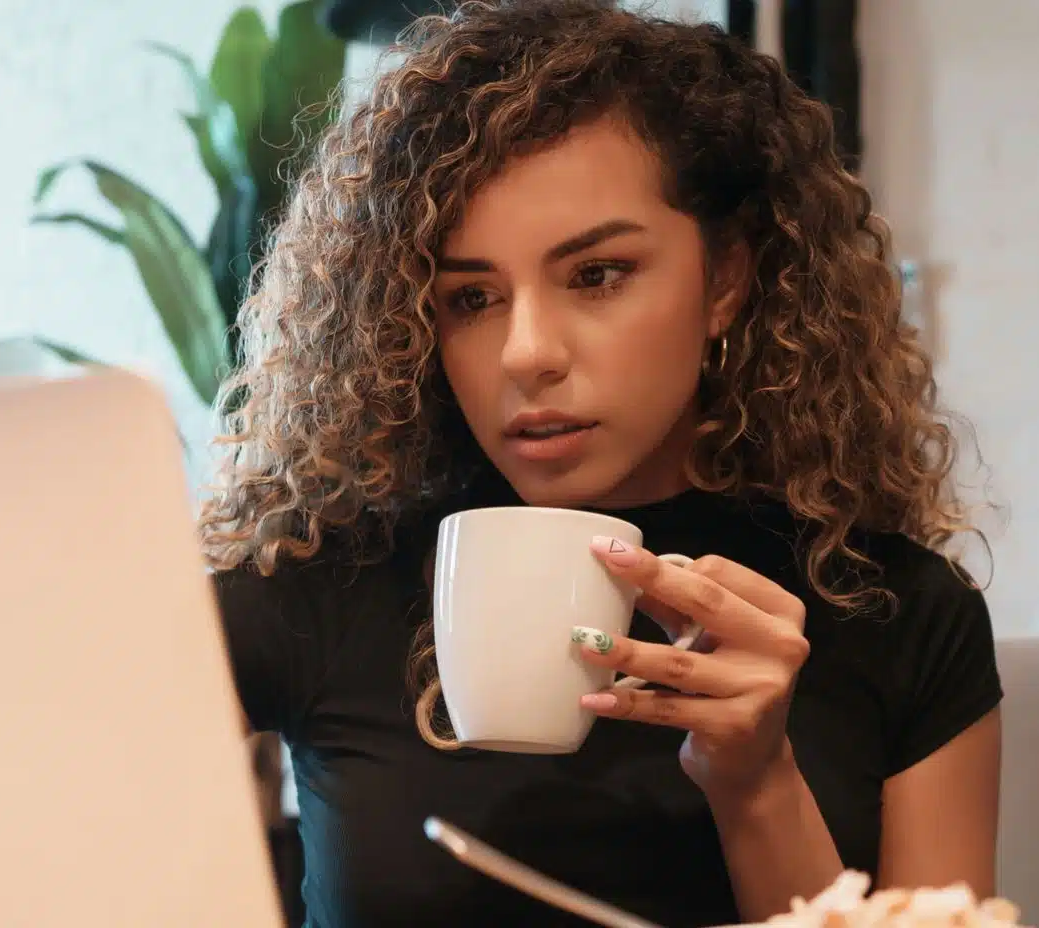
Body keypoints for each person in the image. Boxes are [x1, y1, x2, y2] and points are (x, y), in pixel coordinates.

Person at [196, 2, 1004, 926]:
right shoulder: (313, 585)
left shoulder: (902, 617)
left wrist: (756, 785)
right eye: (471, 296)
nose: (525, 353)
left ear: (727, 280)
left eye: (597, 275)